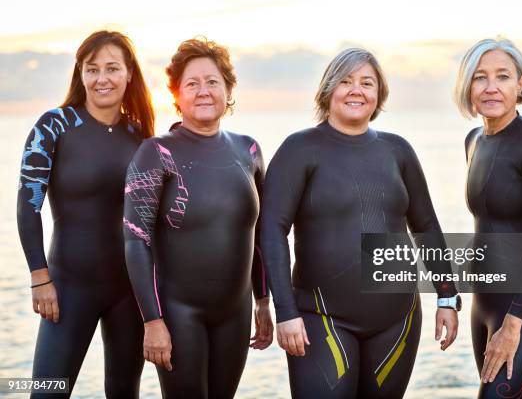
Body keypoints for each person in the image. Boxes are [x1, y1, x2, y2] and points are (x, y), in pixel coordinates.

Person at [261, 48, 460, 398]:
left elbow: (426, 226)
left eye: (367, 83)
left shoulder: (398, 151)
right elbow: (272, 231)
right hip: (321, 319)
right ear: (328, 90)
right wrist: (285, 311)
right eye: (346, 81)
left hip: (397, 320)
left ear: (378, 94)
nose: (357, 90)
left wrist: (446, 297)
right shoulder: (299, 150)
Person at [123, 37, 273, 398]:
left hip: (235, 314)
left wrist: (263, 300)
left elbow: (261, 234)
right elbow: (135, 239)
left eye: (212, 82)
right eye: (192, 83)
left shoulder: (248, 149)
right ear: (176, 94)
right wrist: (152, 320)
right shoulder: (156, 152)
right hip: (177, 314)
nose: (203, 91)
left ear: (228, 89)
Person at [16, 30, 155, 398]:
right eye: (92, 69)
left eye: (112, 68)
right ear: (80, 74)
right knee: (47, 392)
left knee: (125, 391)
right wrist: (39, 277)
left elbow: (153, 217)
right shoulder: (54, 126)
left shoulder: (140, 135)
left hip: (129, 290)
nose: (101, 78)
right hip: (68, 287)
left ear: (129, 74)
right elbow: (28, 205)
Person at [454, 37, 522, 398]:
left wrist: (514, 323)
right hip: (483, 300)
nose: (490, 87)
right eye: (480, 77)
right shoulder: (473, 140)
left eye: (502, 76)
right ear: (468, 85)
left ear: (521, 83)